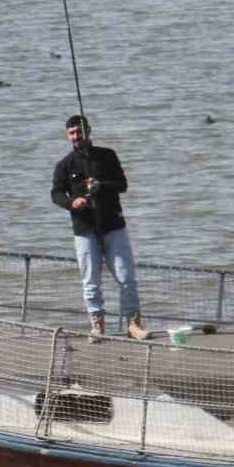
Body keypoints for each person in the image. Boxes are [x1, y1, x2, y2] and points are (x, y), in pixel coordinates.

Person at [51, 115, 146, 338]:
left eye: (80, 131)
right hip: (84, 229)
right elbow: (55, 194)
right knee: (90, 282)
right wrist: (71, 202)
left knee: (126, 277)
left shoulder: (107, 156)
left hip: (113, 225)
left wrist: (100, 185)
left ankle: (133, 324)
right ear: (67, 136)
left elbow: (122, 185)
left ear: (89, 131)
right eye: (72, 133)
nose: (76, 136)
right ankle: (97, 326)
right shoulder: (64, 165)